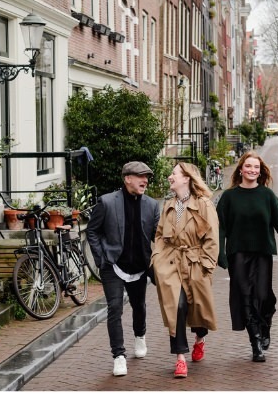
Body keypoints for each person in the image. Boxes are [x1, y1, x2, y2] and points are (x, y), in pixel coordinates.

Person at [216, 150, 278, 363]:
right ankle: (255, 342)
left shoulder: (267, 196)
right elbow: (219, 228)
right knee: (244, 297)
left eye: (256, 167)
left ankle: (265, 326)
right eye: (248, 166)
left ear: (261, 171)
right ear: (241, 169)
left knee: (263, 296)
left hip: (262, 253)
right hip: (237, 254)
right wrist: (220, 254)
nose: (252, 170)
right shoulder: (229, 197)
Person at [86, 159, 162, 378]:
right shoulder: (107, 202)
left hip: (139, 266)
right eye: (141, 176)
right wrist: (101, 259)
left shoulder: (151, 205)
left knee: (139, 306)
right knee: (115, 309)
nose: (145, 181)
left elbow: (160, 235)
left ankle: (140, 335)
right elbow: (92, 231)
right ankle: (118, 355)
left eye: (147, 177)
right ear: (127, 178)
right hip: (113, 265)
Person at [152, 161, 219, 379]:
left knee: (197, 309)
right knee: (177, 306)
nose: (170, 177)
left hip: (195, 263)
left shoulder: (204, 205)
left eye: (174, 174)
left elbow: (212, 239)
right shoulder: (168, 205)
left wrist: (206, 267)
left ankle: (200, 338)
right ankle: (180, 357)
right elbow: (160, 234)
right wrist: (157, 259)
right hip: (171, 263)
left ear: (186, 178)